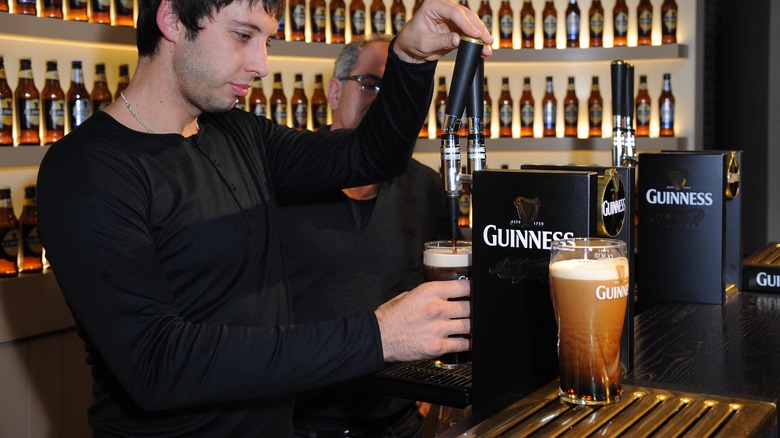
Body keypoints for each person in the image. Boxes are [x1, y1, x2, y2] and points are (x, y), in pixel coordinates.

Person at [35, 0, 492, 436]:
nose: (261, 64)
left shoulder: (239, 134)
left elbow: (370, 156)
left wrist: (409, 57)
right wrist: (378, 335)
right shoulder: (87, 169)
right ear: (172, 19)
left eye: (267, 41)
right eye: (242, 35)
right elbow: (158, 364)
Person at [277, 34, 454, 438]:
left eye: (396, 89)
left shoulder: (426, 186)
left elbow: (441, 290)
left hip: (399, 423)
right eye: (372, 84)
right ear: (335, 90)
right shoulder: (286, 180)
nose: (385, 100)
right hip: (300, 423)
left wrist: (431, 379)